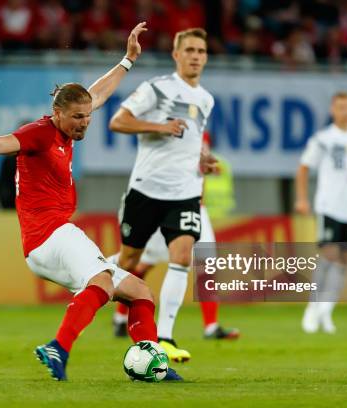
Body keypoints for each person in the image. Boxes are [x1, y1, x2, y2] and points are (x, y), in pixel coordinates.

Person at [0, 23, 182, 382]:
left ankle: (156, 366)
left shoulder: (68, 126)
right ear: (58, 113)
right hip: (50, 234)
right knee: (103, 282)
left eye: (88, 117)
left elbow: (99, 94)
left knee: (139, 292)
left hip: (45, 242)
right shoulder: (40, 133)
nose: (85, 123)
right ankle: (57, 347)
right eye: (78, 117)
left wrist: (127, 60)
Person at [108, 27, 216, 362]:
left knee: (182, 257)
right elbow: (118, 121)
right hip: (146, 190)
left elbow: (189, 141)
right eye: (190, 50)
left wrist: (202, 160)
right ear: (176, 55)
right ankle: (89, 275)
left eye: (201, 51)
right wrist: (159, 127)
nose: (195, 56)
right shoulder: (157, 89)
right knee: (128, 262)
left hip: (184, 193)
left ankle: (165, 336)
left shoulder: (206, 99)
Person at [111, 132, 240, 343]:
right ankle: (120, 316)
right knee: (142, 263)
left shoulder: (197, 123)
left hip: (193, 206)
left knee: (206, 263)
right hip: (163, 203)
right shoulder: (162, 129)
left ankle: (210, 325)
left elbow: (200, 165)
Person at [295, 91, 347, 334]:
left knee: (344, 260)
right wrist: (301, 199)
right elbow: (304, 167)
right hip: (329, 205)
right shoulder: (323, 138)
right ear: (332, 109)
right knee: (329, 255)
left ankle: (326, 312)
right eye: (340, 107)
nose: (345, 111)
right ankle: (312, 308)